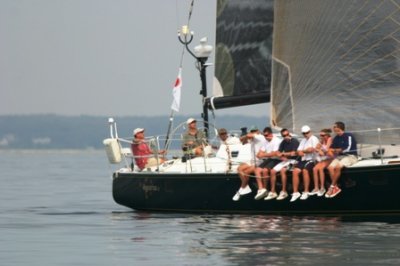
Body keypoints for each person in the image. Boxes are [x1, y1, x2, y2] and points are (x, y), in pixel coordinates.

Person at [232, 126, 266, 201]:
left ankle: (241, 189)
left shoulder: (260, 137)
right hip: (252, 161)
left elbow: (247, 136)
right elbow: (241, 140)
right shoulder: (253, 139)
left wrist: (249, 135)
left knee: (246, 172)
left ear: (258, 131)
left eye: (254, 131)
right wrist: (246, 137)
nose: (253, 132)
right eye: (252, 131)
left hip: (260, 162)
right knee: (239, 169)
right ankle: (246, 187)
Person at [325, 121, 358, 198]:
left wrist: (336, 150)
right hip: (340, 157)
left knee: (338, 166)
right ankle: (335, 188)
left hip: (350, 156)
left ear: (339, 128)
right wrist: (335, 150)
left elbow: (347, 149)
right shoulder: (336, 138)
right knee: (330, 167)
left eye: (334, 127)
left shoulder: (349, 136)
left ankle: (332, 187)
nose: (333, 128)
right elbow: (331, 148)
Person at [266, 128, 300, 201]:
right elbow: (278, 152)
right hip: (286, 160)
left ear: (289, 134)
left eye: (287, 134)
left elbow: (293, 153)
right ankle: (273, 192)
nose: (286, 136)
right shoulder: (283, 142)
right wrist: (281, 156)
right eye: (284, 135)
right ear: (282, 136)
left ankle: (284, 191)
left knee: (282, 170)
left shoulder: (294, 141)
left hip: (294, 160)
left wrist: (283, 154)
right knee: (272, 171)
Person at [290, 125, 320, 202]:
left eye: (307, 133)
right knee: (295, 171)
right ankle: (295, 192)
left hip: (312, 160)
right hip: (303, 160)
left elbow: (311, 150)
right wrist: (302, 151)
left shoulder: (314, 139)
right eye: (304, 133)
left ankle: (306, 191)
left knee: (305, 171)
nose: (306, 134)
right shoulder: (303, 140)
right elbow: (298, 151)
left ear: (310, 132)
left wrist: (302, 151)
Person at [253, 127, 282, 200]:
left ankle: (266, 188)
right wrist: (262, 154)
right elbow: (260, 152)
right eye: (264, 135)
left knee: (265, 170)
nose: (265, 137)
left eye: (266, 135)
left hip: (277, 159)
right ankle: (261, 189)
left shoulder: (277, 141)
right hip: (269, 159)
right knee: (257, 170)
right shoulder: (265, 141)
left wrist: (263, 154)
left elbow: (274, 153)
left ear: (271, 134)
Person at [310, 128, 333, 197]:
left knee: (320, 169)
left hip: (330, 158)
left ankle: (322, 188)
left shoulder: (330, 139)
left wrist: (319, 150)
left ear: (327, 135)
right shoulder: (322, 140)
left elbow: (326, 150)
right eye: (320, 135)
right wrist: (318, 149)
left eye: (323, 135)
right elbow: (316, 148)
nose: (321, 137)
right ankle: (316, 188)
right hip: (324, 158)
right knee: (314, 169)